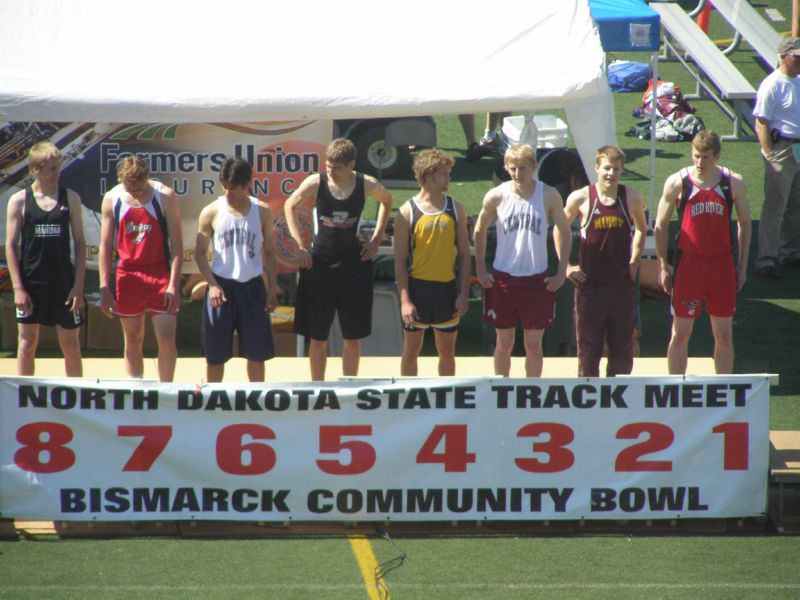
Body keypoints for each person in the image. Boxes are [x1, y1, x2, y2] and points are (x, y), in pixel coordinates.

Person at [284, 138, 393, 381]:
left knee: (352, 337)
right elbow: (289, 204)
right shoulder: (316, 182)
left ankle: (349, 386)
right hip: (319, 264)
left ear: (351, 164)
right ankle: (317, 387)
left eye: (337, 167)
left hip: (353, 266)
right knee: (317, 337)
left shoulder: (367, 184)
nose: (331, 171)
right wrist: (299, 244)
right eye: (328, 166)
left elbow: (387, 201)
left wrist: (377, 238)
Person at [654, 130, 751, 375]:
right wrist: (662, 265)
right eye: (696, 156)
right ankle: (676, 390)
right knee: (680, 332)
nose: (699, 162)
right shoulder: (678, 182)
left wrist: (742, 266)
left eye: (705, 157)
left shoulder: (733, 183)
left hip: (721, 266)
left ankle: (724, 389)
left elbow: (745, 223)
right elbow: (660, 224)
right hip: (689, 266)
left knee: (724, 334)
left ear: (717, 155)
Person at [473, 143, 571, 377]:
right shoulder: (497, 195)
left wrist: (561, 272)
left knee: (534, 346)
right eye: (514, 168)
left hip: (536, 279)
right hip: (504, 278)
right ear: (507, 168)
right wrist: (481, 270)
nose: (519, 174)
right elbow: (479, 231)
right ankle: (501, 389)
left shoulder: (547, 194)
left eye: (523, 168)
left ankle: (532, 392)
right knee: (503, 343)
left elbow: (565, 232)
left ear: (534, 167)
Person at [564, 145, 647, 377]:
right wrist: (567, 266)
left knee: (622, 352)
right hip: (590, 288)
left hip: (621, 287)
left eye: (617, 169)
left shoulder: (631, 197)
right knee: (589, 352)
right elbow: (559, 229)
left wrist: (635, 260)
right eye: (607, 168)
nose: (611, 174)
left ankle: (619, 406)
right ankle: (588, 404)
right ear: (597, 168)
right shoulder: (581, 197)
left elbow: (641, 228)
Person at [4, 142, 86, 376]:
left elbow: (80, 244)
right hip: (31, 283)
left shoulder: (70, 198)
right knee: (27, 343)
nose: (55, 173)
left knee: (70, 343)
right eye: (49, 168)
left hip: (63, 282)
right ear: (34, 170)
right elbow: (11, 246)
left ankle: (75, 400)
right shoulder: (19, 200)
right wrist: (18, 288)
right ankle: (24, 400)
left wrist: (78, 286)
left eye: (57, 168)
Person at [98, 156, 183, 381]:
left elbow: (177, 245)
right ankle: (135, 389)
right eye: (129, 187)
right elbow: (105, 246)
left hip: (159, 275)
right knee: (133, 338)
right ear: (121, 180)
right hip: (128, 276)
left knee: (166, 338)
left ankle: (166, 390)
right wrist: (104, 286)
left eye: (138, 186)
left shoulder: (164, 196)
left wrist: (174, 285)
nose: (134, 192)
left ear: (146, 178)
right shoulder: (112, 198)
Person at [194, 158, 278, 382]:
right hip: (221, 286)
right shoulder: (211, 211)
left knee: (257, 354)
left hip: (252, 287)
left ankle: (256, 400)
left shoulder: (262, 212)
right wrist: (212, 284)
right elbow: (199, 253)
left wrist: (271, 288)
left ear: (247, 184)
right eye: (225, 187)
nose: (228, 192)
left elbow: (269, 252)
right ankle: (213, 402)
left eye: (234, 188)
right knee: (215, 356)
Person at [393, 149, 471, 376]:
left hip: (446, 289)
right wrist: (405, 301)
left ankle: (446, 406)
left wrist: (463, 294)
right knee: (411, 349)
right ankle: (408, 404)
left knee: (447, 351)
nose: (449, 178)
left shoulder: (456, 208)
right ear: (429, 176)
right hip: (418, 288)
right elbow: (399, 261)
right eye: (444, 174)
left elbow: (465, 255)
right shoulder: (407, 212)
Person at [752, 35, 800, 278]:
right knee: (775, 206)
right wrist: (770, 154)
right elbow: (761, 123)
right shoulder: (772, 84)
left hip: (798, 148)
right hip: (782, 149)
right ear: (783, 57)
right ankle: (767, 257)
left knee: (797, 204)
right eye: (797, 56)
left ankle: (791, 250)